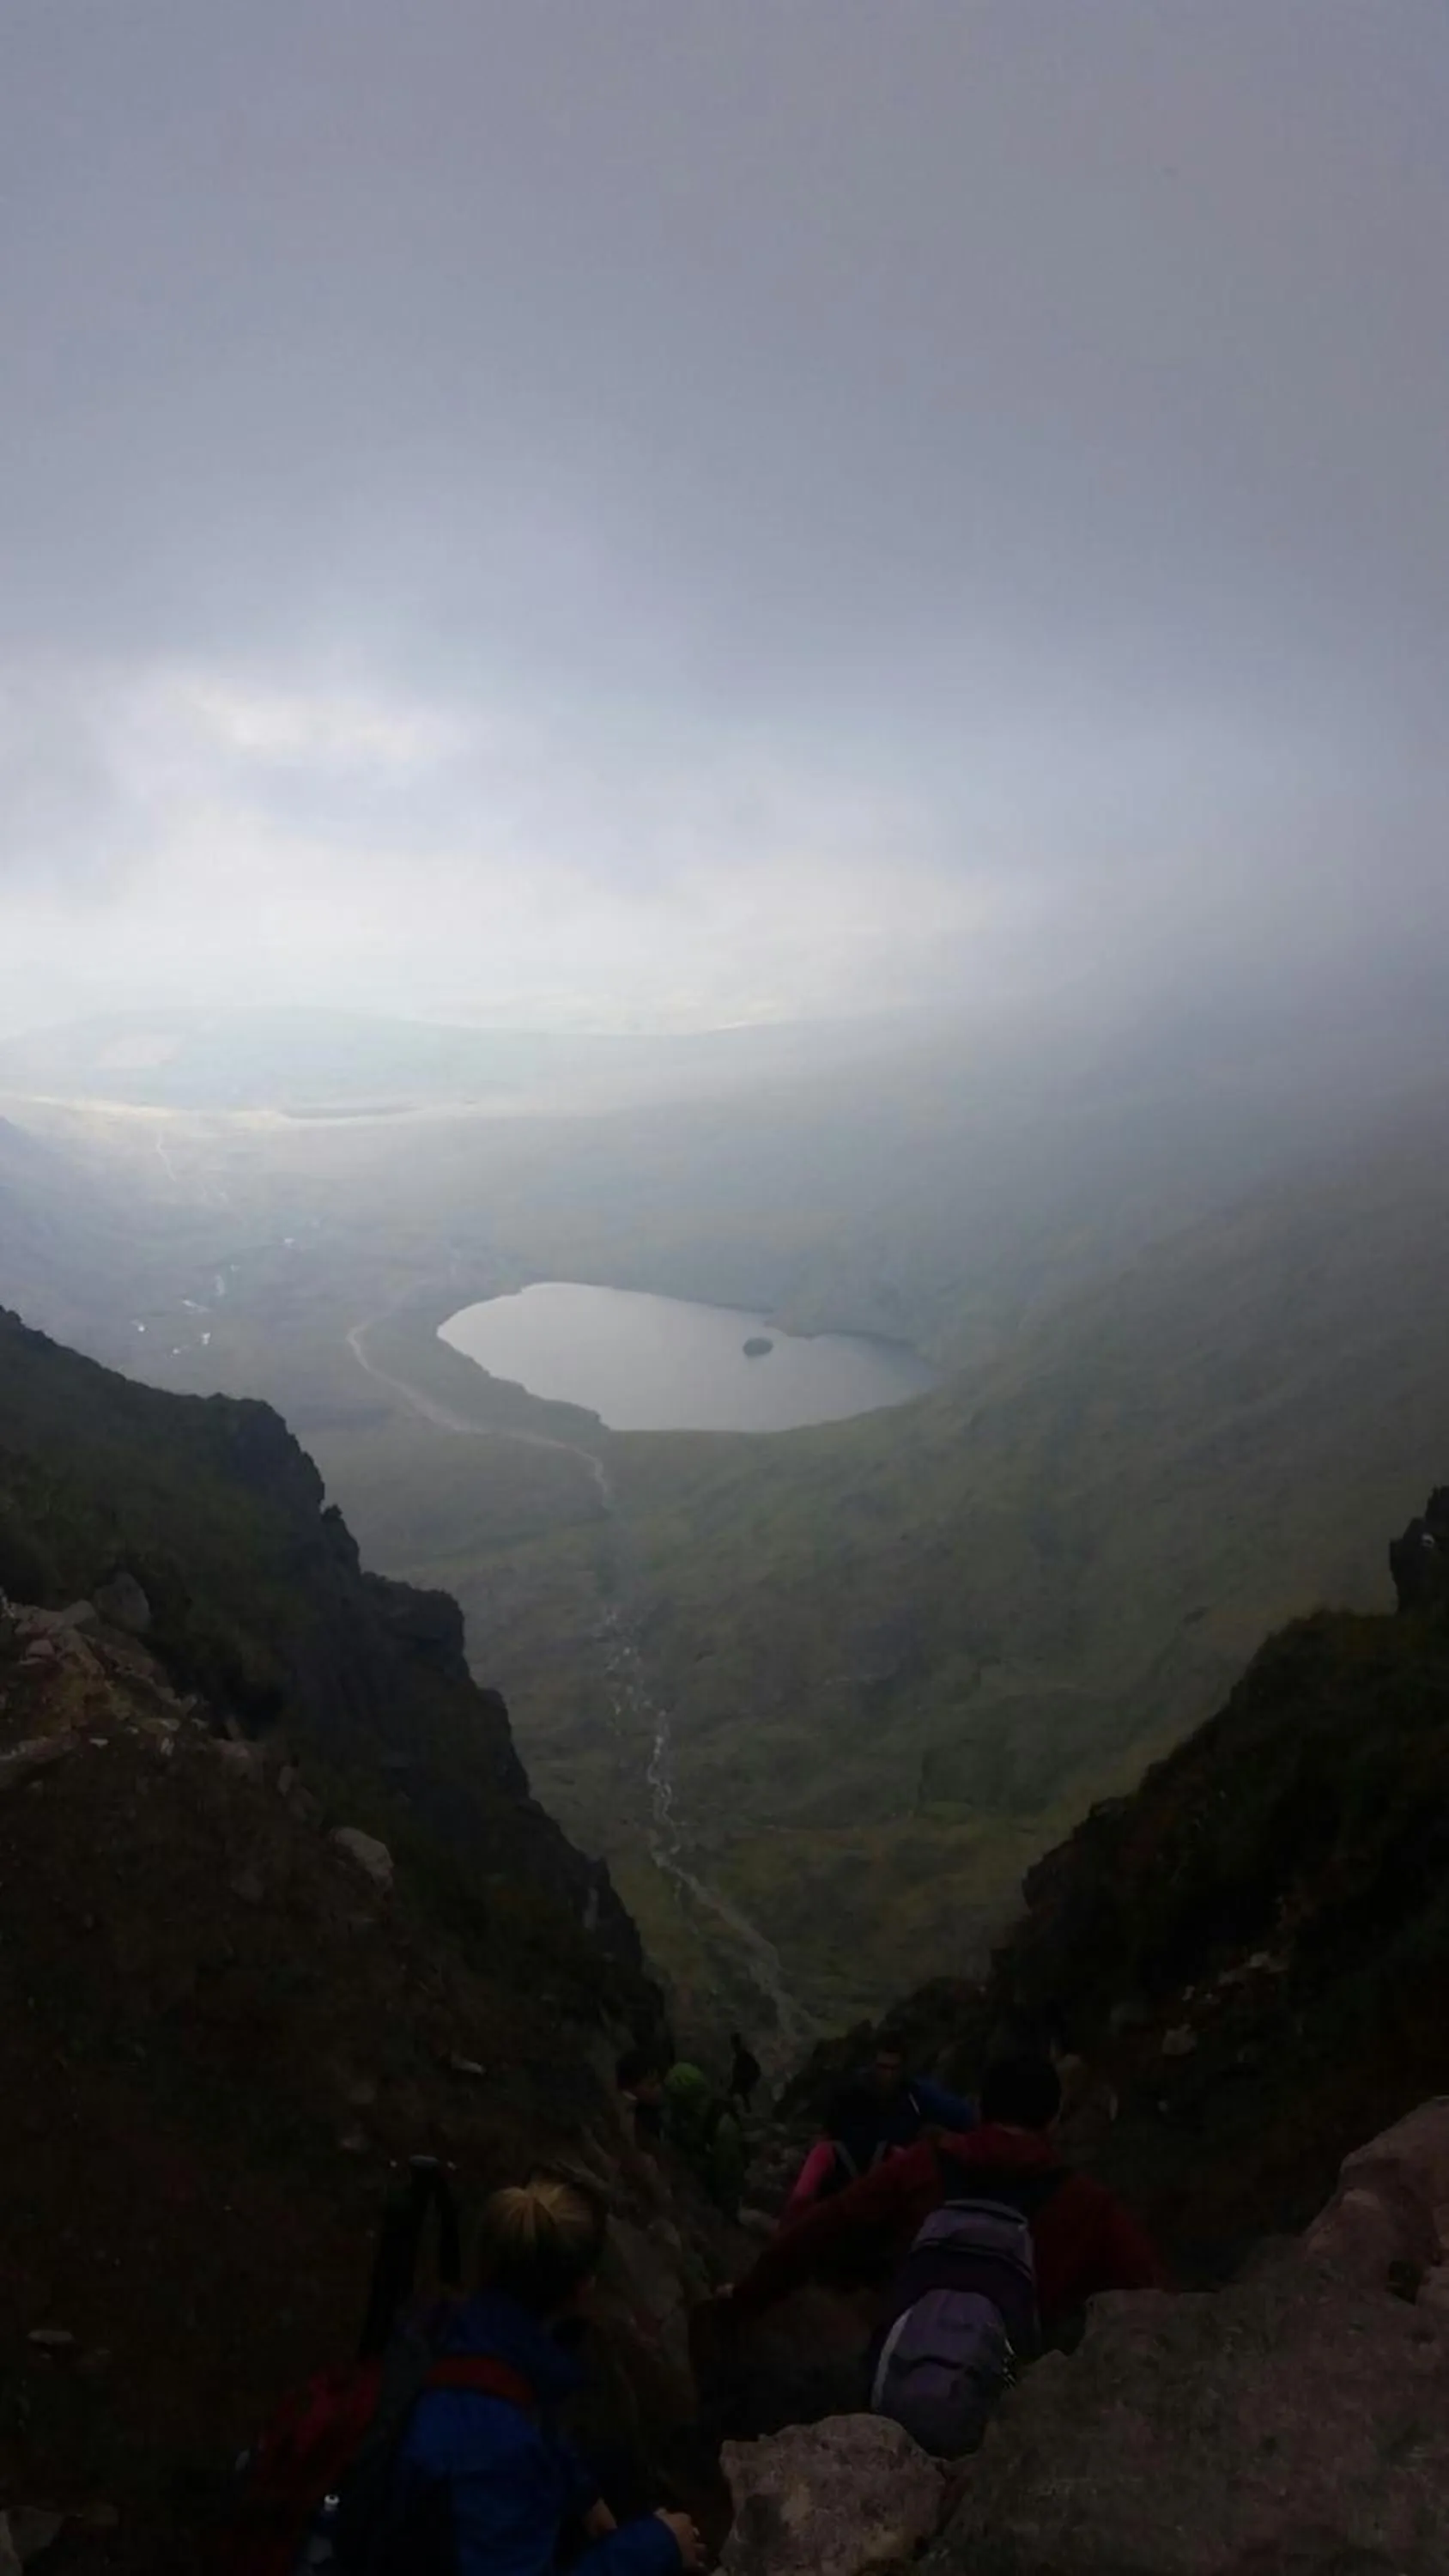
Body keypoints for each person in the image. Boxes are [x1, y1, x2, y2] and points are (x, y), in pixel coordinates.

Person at [391, 2172, 703, 2576]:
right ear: (582, 2289)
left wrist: (581, 2492)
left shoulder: (466, 2333)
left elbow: (535, 2426)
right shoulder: (496, 2449)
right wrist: (656, 2547)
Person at [728, 2052, 1159, 2341]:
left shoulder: (921, 2167)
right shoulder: (1088, 2205)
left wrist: (742, 2300)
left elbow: (819, 2230)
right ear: (1053, 2121)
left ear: (982, 2110)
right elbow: (1156, 2300)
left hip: (906, 2374)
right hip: (1013, 2391)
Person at [779, 2032, 979, 2223]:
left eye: (894, 2069)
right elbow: (831, 2133)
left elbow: (964, 2118)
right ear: (874, 2066)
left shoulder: (915, 2095)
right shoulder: (852, 2090)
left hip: (892, 2175)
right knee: (820, 2158)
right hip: (850, 2171)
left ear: (903, 2069)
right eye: (883, 2067)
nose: (888, 2075)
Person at [727, 2033, 763, 2113]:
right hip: (743, 2083)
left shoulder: (744, 2056)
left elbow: (755, 2070)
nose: (733, 2047)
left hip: (745, 2083)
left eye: (735, 2044)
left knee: (738, 2095)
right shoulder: (741, 2056)